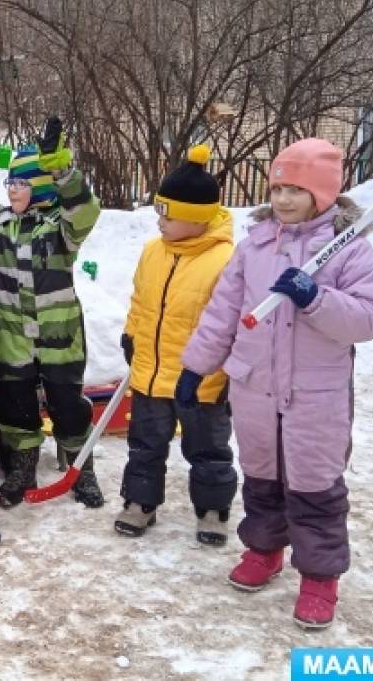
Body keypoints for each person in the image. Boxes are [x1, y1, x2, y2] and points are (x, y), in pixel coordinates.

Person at [179, 138, 373, 629]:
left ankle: (319, 577)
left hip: (316, 394)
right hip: (254, 387)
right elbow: (223, 313)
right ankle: (265, 549)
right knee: (261, 476)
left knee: (315, 485)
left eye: (297, 189)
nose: (284, 200)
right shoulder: (254, 247)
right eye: (278, 188)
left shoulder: (348, 249)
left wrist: (316, 298)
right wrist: (195, 366)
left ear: (324, 193)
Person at [0, 104, 104, 508]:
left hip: (60, 338)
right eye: (10, 182)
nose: (12, 189)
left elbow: (86, 210)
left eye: (21, 182)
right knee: (17, 407)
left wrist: (62, 171)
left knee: (68, 405)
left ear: (39, 188)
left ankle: (81, 467)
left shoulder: (61, 230)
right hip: (12, 337)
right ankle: (23, 466)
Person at [116, 144, 238, 544]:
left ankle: (213, 510)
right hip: (150, 373)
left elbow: (231, 322)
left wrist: (227, 372)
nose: (159, 222)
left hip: (201, 379)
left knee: (208, 450)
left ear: (194, 216)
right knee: (144, 445)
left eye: (166, 213)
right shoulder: (154, 251)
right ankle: (140, 503)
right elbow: (140, 298)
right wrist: (131, 335)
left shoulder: (225, 260)